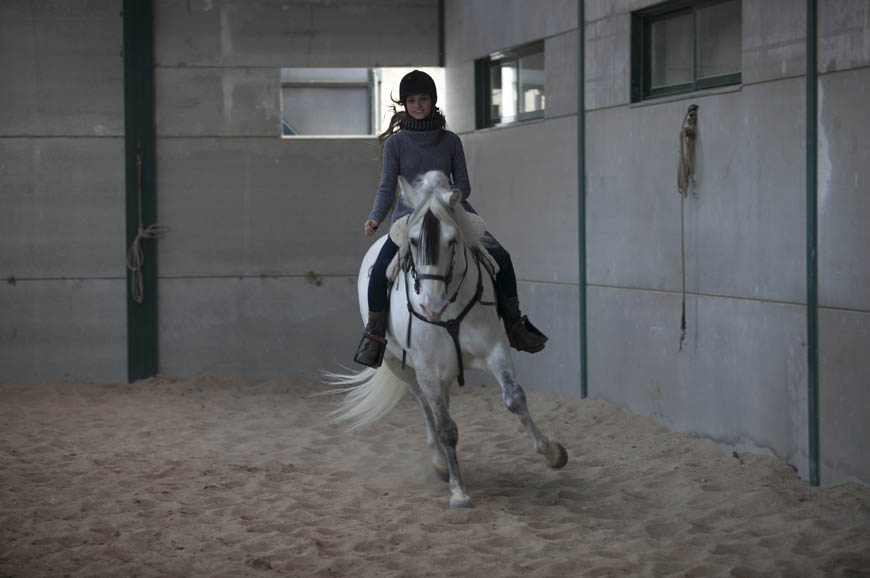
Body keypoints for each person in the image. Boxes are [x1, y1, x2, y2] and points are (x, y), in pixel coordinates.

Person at [354, 70, 547, 367]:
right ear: (405, 104)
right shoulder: (395, 144)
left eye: (424, 99)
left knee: (502, 258)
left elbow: (465, 184)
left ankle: (515, 325)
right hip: (410, 216)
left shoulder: (451, 141)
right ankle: (375, 336)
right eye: (412, 100)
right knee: (380, 271)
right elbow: (387, 187)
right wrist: (375, 217)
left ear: (433, 100)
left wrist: (447, 199)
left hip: (454, 211)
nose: (418, 105)